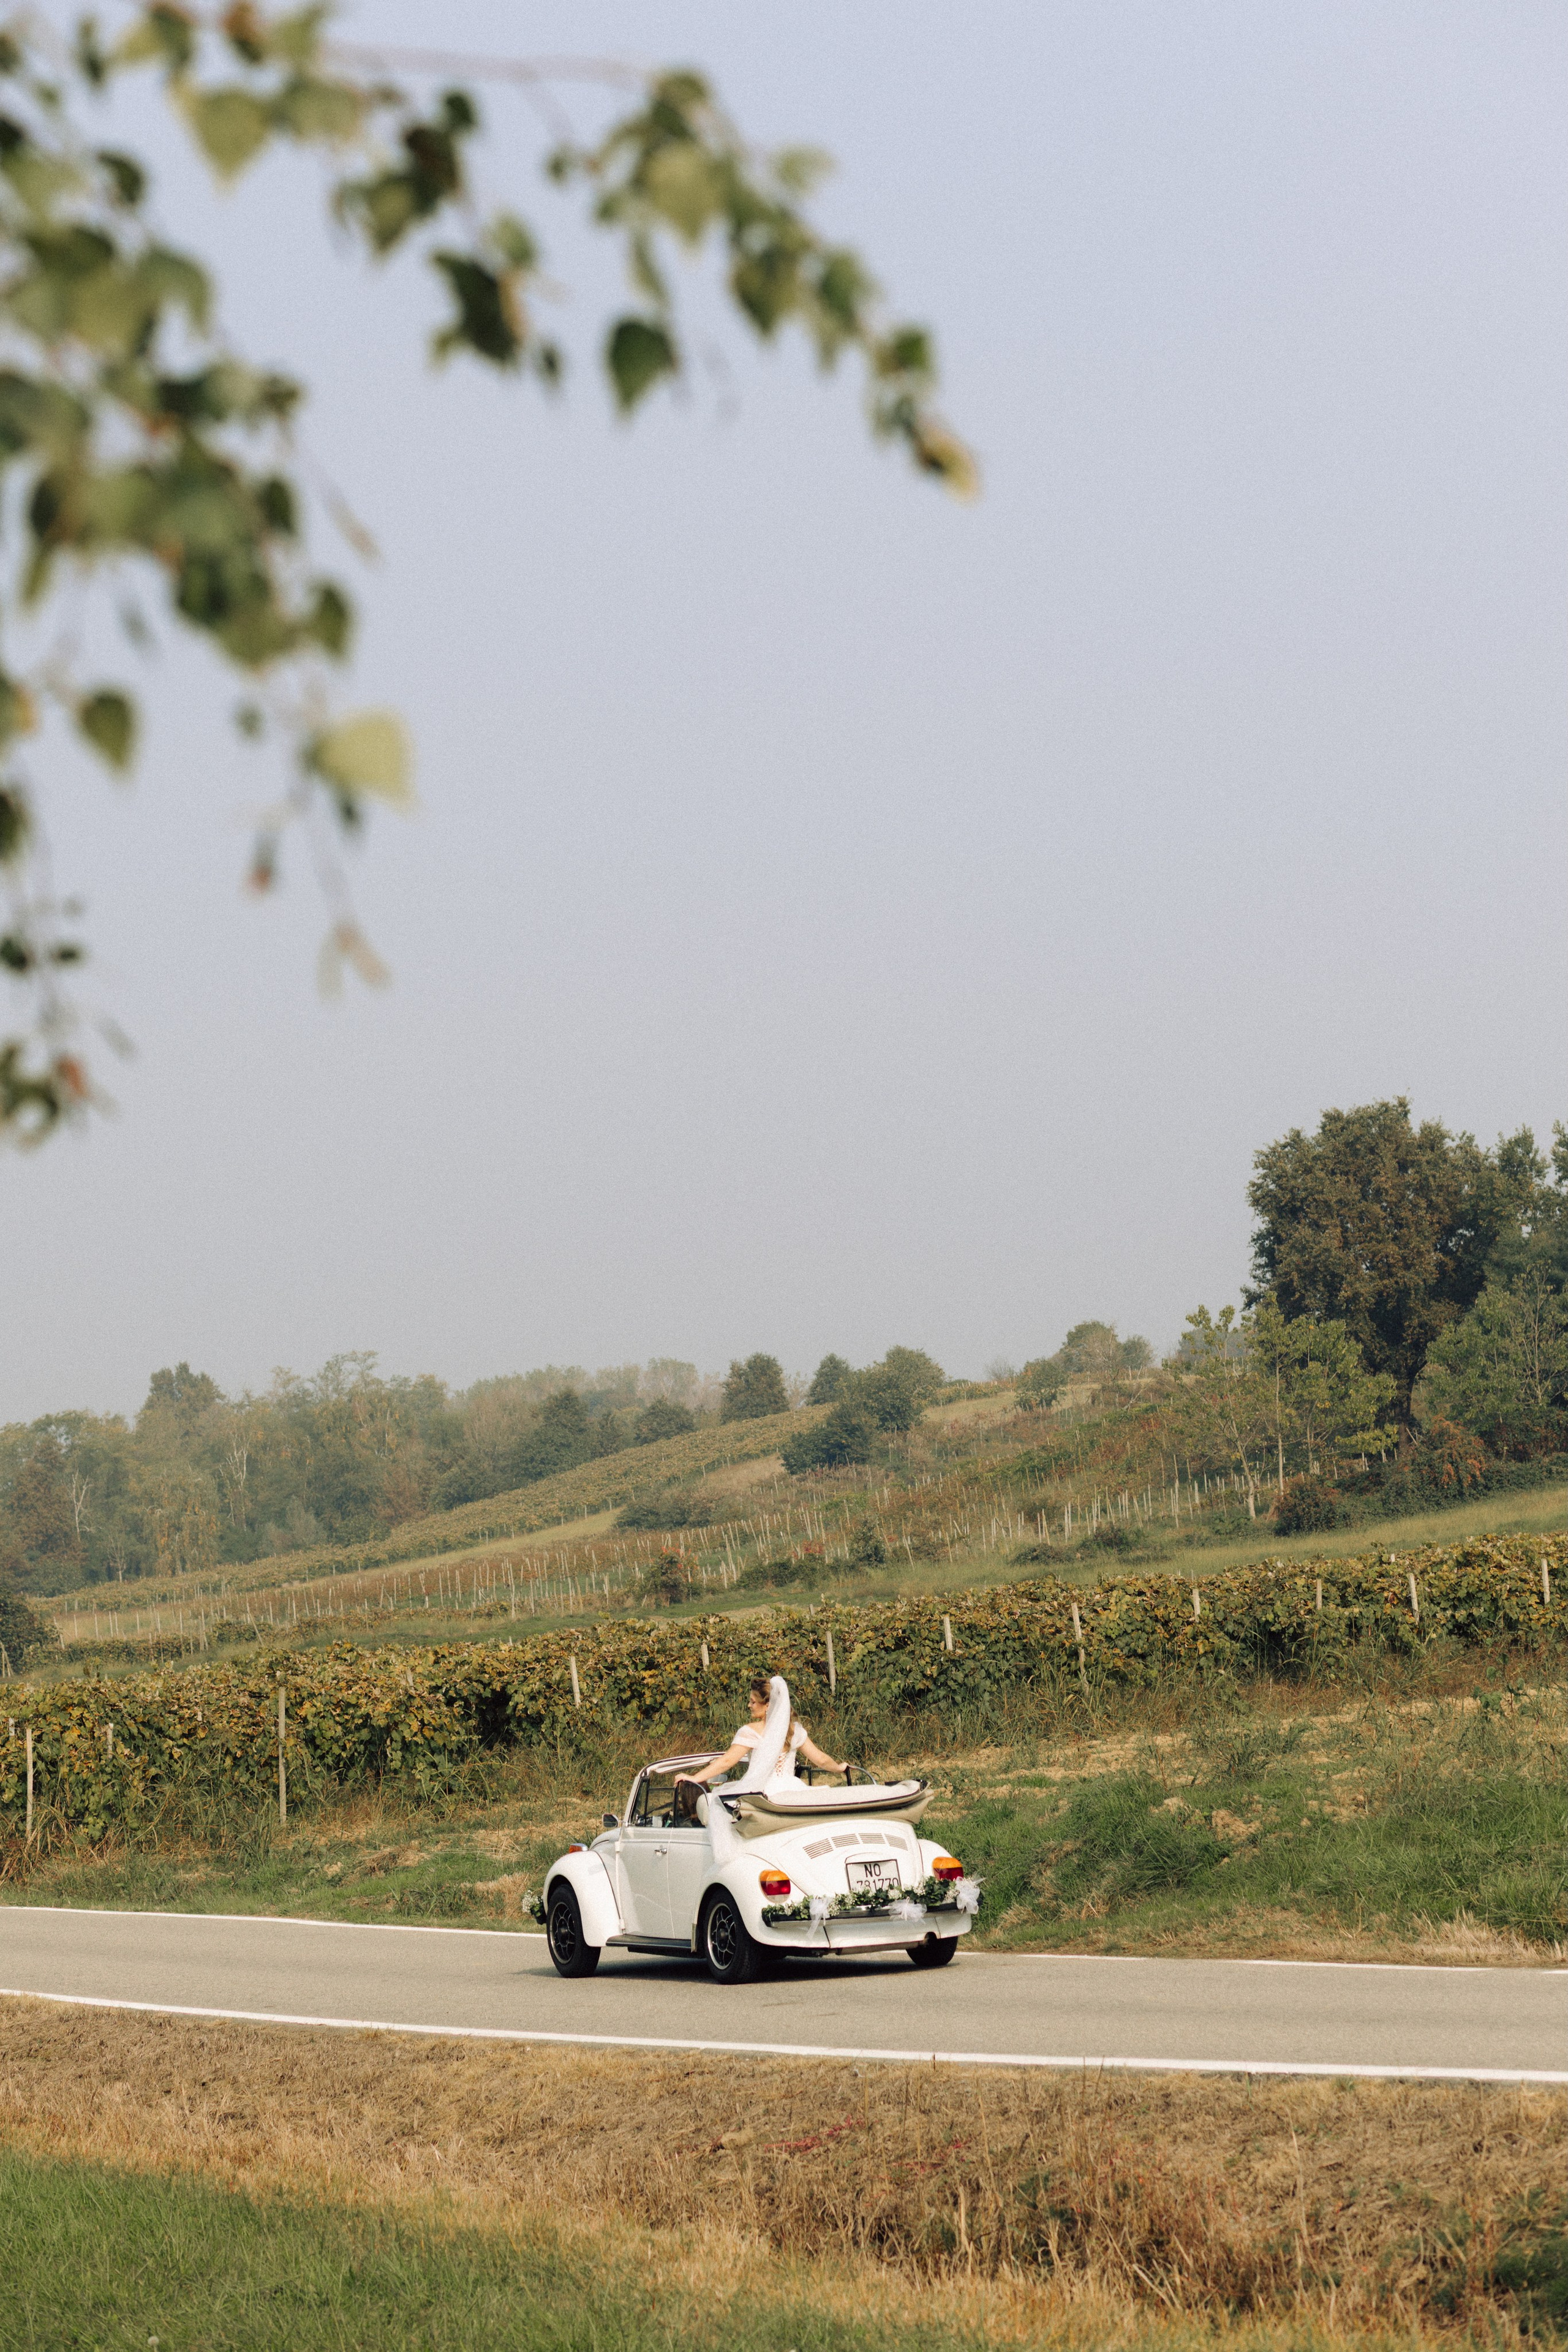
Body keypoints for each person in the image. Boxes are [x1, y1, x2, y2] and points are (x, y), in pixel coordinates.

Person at [676, 1675, 847, 1800]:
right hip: (793, 1789)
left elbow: (727, 1762)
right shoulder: (794, 1731)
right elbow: (822, 1760)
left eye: (753, 1702)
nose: (749, 1705)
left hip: (762, 1791)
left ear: (767, 1706)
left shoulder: (751, 1731)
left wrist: (694, 1777)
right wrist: (840, 1768)